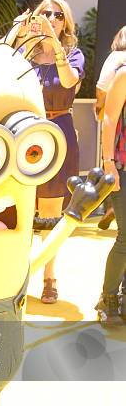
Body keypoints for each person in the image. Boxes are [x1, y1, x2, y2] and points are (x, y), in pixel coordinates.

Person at [21, 0, 84, 304]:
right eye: (45, 12)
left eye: (58, 14)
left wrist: (54, 47)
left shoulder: (73, 54)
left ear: (66, 22)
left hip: (58, 133)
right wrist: (21, 36)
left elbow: (70, 81)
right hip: (27, 134)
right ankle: (16, 275)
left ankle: (49, 277)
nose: (51, 18)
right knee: (19, 207)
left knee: (50, 212)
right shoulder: (25, 54)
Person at [96, 65, 126, 325]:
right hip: (123, 167)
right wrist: (108, 164)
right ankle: (108, 297)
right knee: (125, 239)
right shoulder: (124, 74)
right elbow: (110, 117)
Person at [95, 26, 126, 230]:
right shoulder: (119, 62)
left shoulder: (114, 58)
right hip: (117, 126)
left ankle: (112, 207)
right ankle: (113, 207)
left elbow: (100, 90)